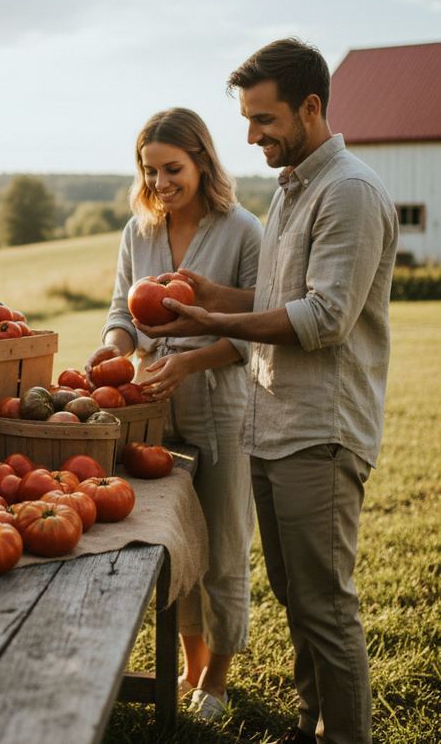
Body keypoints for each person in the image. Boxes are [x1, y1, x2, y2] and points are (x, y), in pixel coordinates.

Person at [138, 39, 399, 744]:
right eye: (247, 121)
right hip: (273, 425)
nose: (250, 136)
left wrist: (215, 320)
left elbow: (323, 317)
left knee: (325, 607)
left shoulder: (348, 192)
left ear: (310, 108)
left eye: (263, 119)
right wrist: (207, 292)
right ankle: (312, 724)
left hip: (322, 432)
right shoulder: (294, 191)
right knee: (298, 599)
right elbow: (274, 295)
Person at [86, 106, 263, 721]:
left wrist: (187, 364)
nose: (161, 183)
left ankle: (215, 676)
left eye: (172, 169)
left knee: (222, 542)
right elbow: (120, 315)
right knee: (175, 545)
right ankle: (188, 663)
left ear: (203, 162)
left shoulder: (243, 231)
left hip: (223, 407)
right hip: (151, 410)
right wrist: (112, 355)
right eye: (150, 170)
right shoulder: (138, 232)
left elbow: (249, 337)